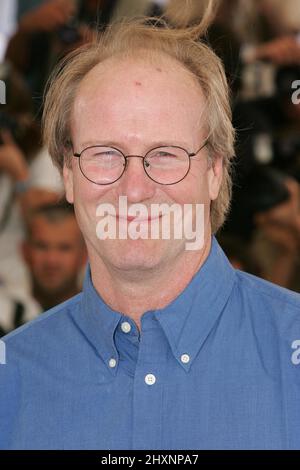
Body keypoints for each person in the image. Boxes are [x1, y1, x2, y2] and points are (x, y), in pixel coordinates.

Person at [1, 0, 300, 450]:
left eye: (165, 155)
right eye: (104, 153)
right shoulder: (12, 379)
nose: (134, 188)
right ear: (66, 174)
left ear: (215, 171)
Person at [0, 201, 87, 336]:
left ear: (85, 256)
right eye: (41, 246)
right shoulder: (5, 314)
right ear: (25, 251)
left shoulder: (102, 317)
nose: (51, 260)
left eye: (64, 248)